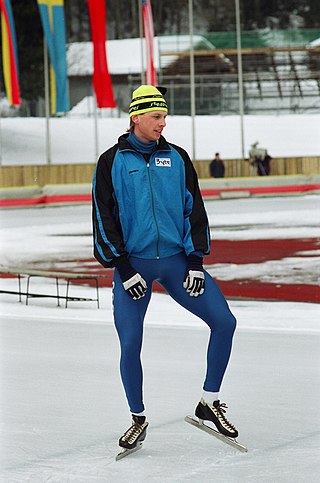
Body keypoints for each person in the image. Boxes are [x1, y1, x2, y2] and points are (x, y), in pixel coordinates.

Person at [92, 85, 238, 453]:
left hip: (176, 261)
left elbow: (195, 210)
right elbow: (103, 217)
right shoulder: (111, 162)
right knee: (130, 343)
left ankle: (208, 402)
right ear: (135, 117)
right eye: (156, 116)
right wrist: (123, 267)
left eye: (165, 116)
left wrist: (195, 260)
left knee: (225, 322)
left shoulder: (177, 158)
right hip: (133, 266)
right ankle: (137, 419)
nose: (163, 122)